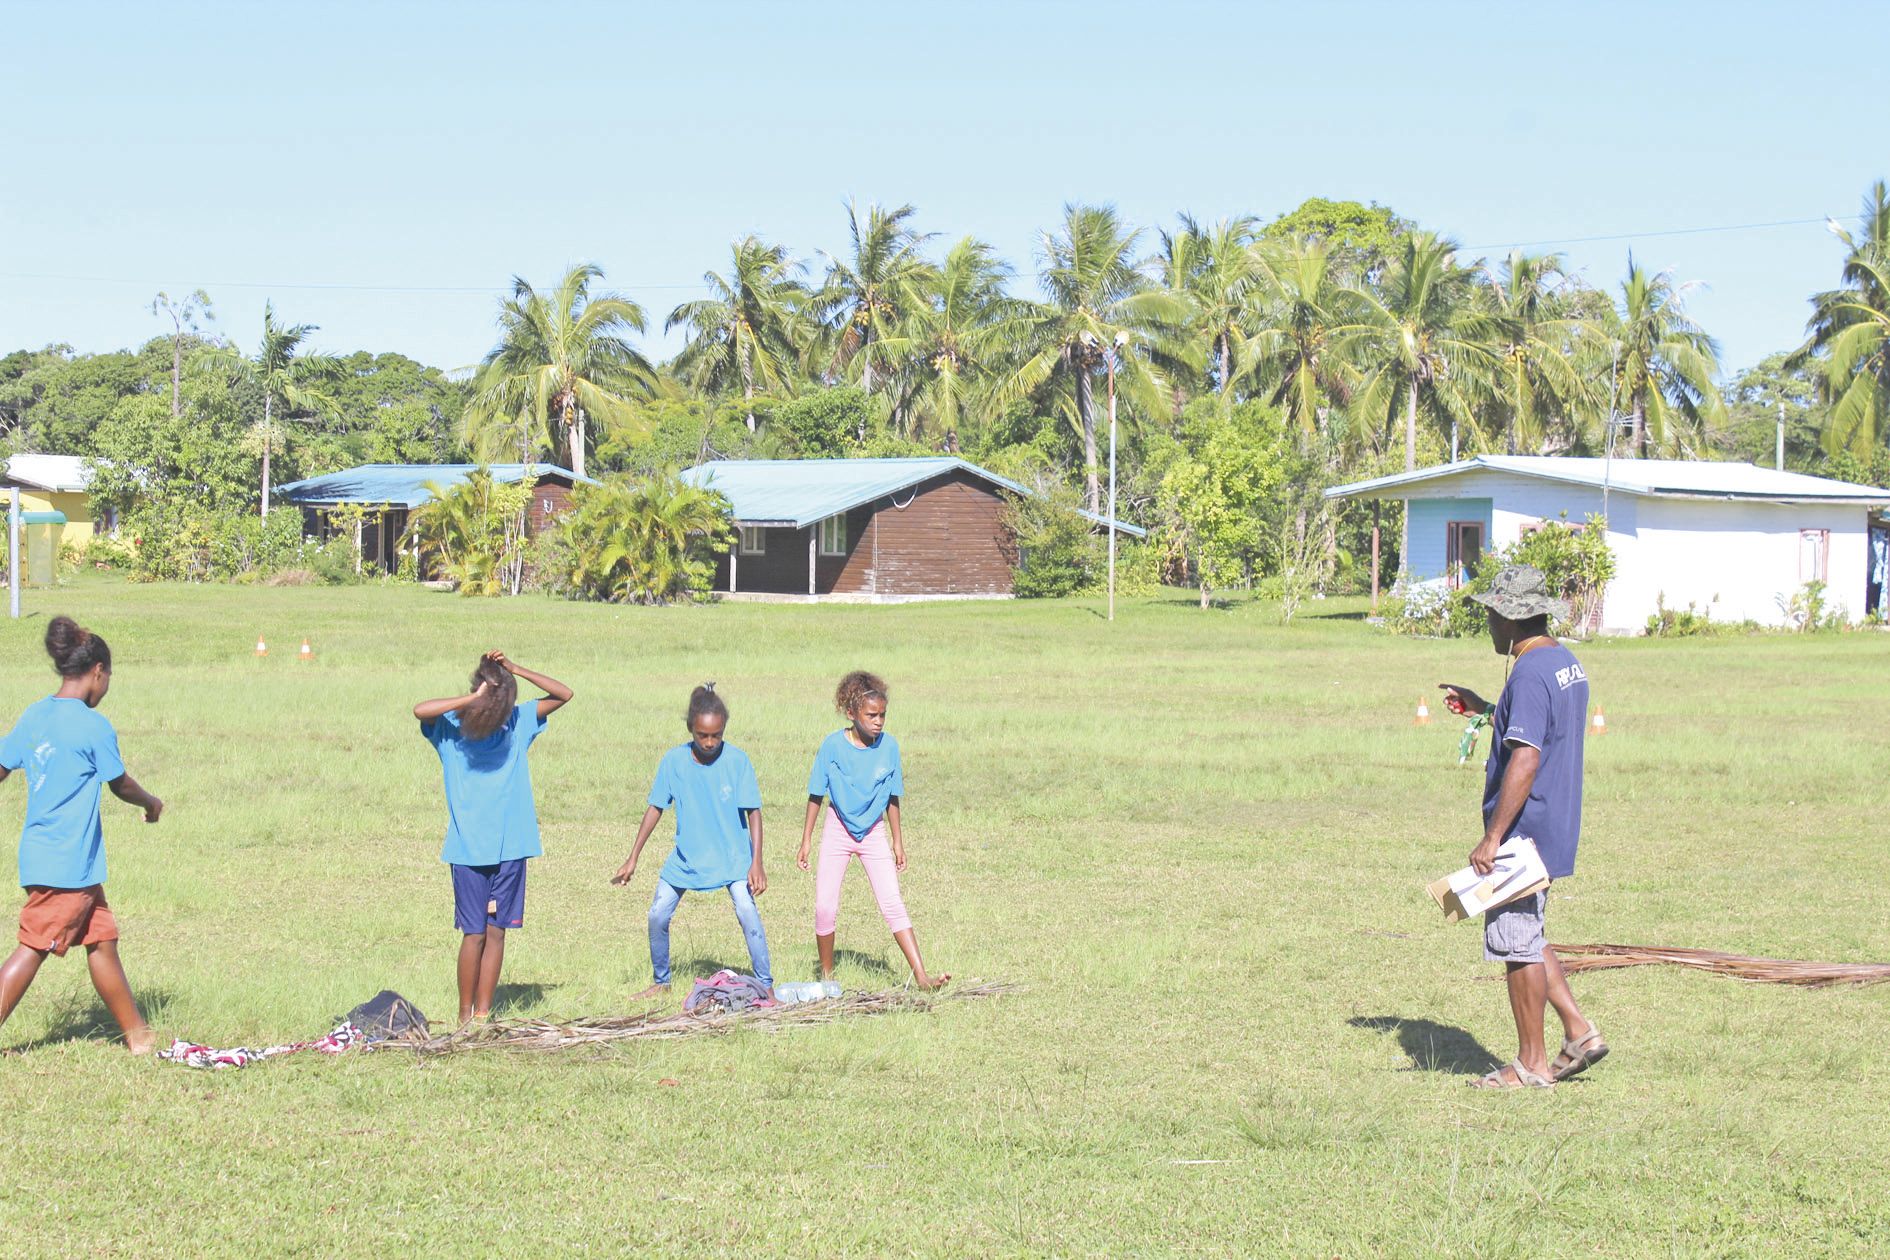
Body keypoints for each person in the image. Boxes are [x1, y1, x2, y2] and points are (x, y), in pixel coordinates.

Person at [1440, 565, 1608, 1090]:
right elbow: (1536, 724)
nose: (1487, 622)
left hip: (1524, 829)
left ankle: (1531, 1064)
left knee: (1515, 943)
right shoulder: (1563, 662)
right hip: (1554, 820)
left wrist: (1494, 836)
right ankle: (1579, 1032)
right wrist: (1488, 709)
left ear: (1511, 618)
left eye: (1491, 613)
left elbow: (1527, 757)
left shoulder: (1530, 673)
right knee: (1530, 934)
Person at [0, 616, 164, 1055]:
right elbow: (120, 783)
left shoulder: (34, 715)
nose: (107, 685)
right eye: (108, 676)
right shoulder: (94, 726)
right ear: (97, 671)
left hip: (52, 858)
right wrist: (152, 803)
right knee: (33, 947)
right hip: (67, 865)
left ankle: (138, 1035)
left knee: (102, 942)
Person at [414, 650, 572, 1024]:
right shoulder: (450, 727)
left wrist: (515, 668)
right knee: (474, 934)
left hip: (511, 847)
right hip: (468, 850)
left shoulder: (517, 723)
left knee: (496, 932)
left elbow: (564, 694)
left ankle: (484, 1014)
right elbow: (421, 709)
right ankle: (463, 1016)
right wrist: (473, 699)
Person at [613, 684, 772, 1000]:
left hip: (733, 858)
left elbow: (754, 813)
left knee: (746, 910)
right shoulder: (673, 762)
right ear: (691, 730)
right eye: (703, 735)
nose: (710, 742)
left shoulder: (738, 761)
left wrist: (756, 861)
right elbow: (655, 808)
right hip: (687, 858)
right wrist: (633, 857)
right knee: (657, 915)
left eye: (717, 735)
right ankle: (662, 982)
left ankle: (766, 986)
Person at [797, 671, 948, 990]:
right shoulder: (832, 746)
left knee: (892, 902)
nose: (879, 721)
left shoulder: (889, 747)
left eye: (883, 715)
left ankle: (921, 976)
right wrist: (806, 840)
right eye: (872, 715)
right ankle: (827, 980)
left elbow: (893, 796)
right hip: (837, 828)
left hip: (873, 832)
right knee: (825, 906)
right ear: (851, 714)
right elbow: (816, 794)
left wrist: (898, 841)